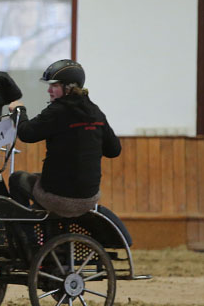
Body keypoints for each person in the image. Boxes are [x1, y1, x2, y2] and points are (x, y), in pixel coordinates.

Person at [7, 60, 121, 217]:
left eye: (54, 86)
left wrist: (19, 111)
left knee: (17, 178)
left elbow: (27, 134)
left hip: (60, 198)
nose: (49, 90)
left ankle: (26, 237)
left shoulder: (58, 111)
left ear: (68, 87)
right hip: (89, 197)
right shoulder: (95, 112)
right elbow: (114, 150)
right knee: (41, 179)